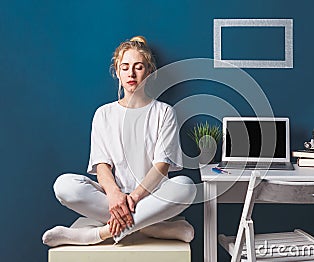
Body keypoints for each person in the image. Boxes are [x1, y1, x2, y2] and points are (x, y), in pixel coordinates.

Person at [42, 36, 197, 247]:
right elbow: (101, 164)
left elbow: (162, 165)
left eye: (138, 67)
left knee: (186, 187)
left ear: (149, 72)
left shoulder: (164, 112)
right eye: (125, 67)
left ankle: (98, 233)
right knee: (64, 186)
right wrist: (116, 195)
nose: (131, 73)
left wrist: (133, 198)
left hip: (152, 198)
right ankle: (154, 227)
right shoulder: (104, 114)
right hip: (112, 200)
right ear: (117, 72)